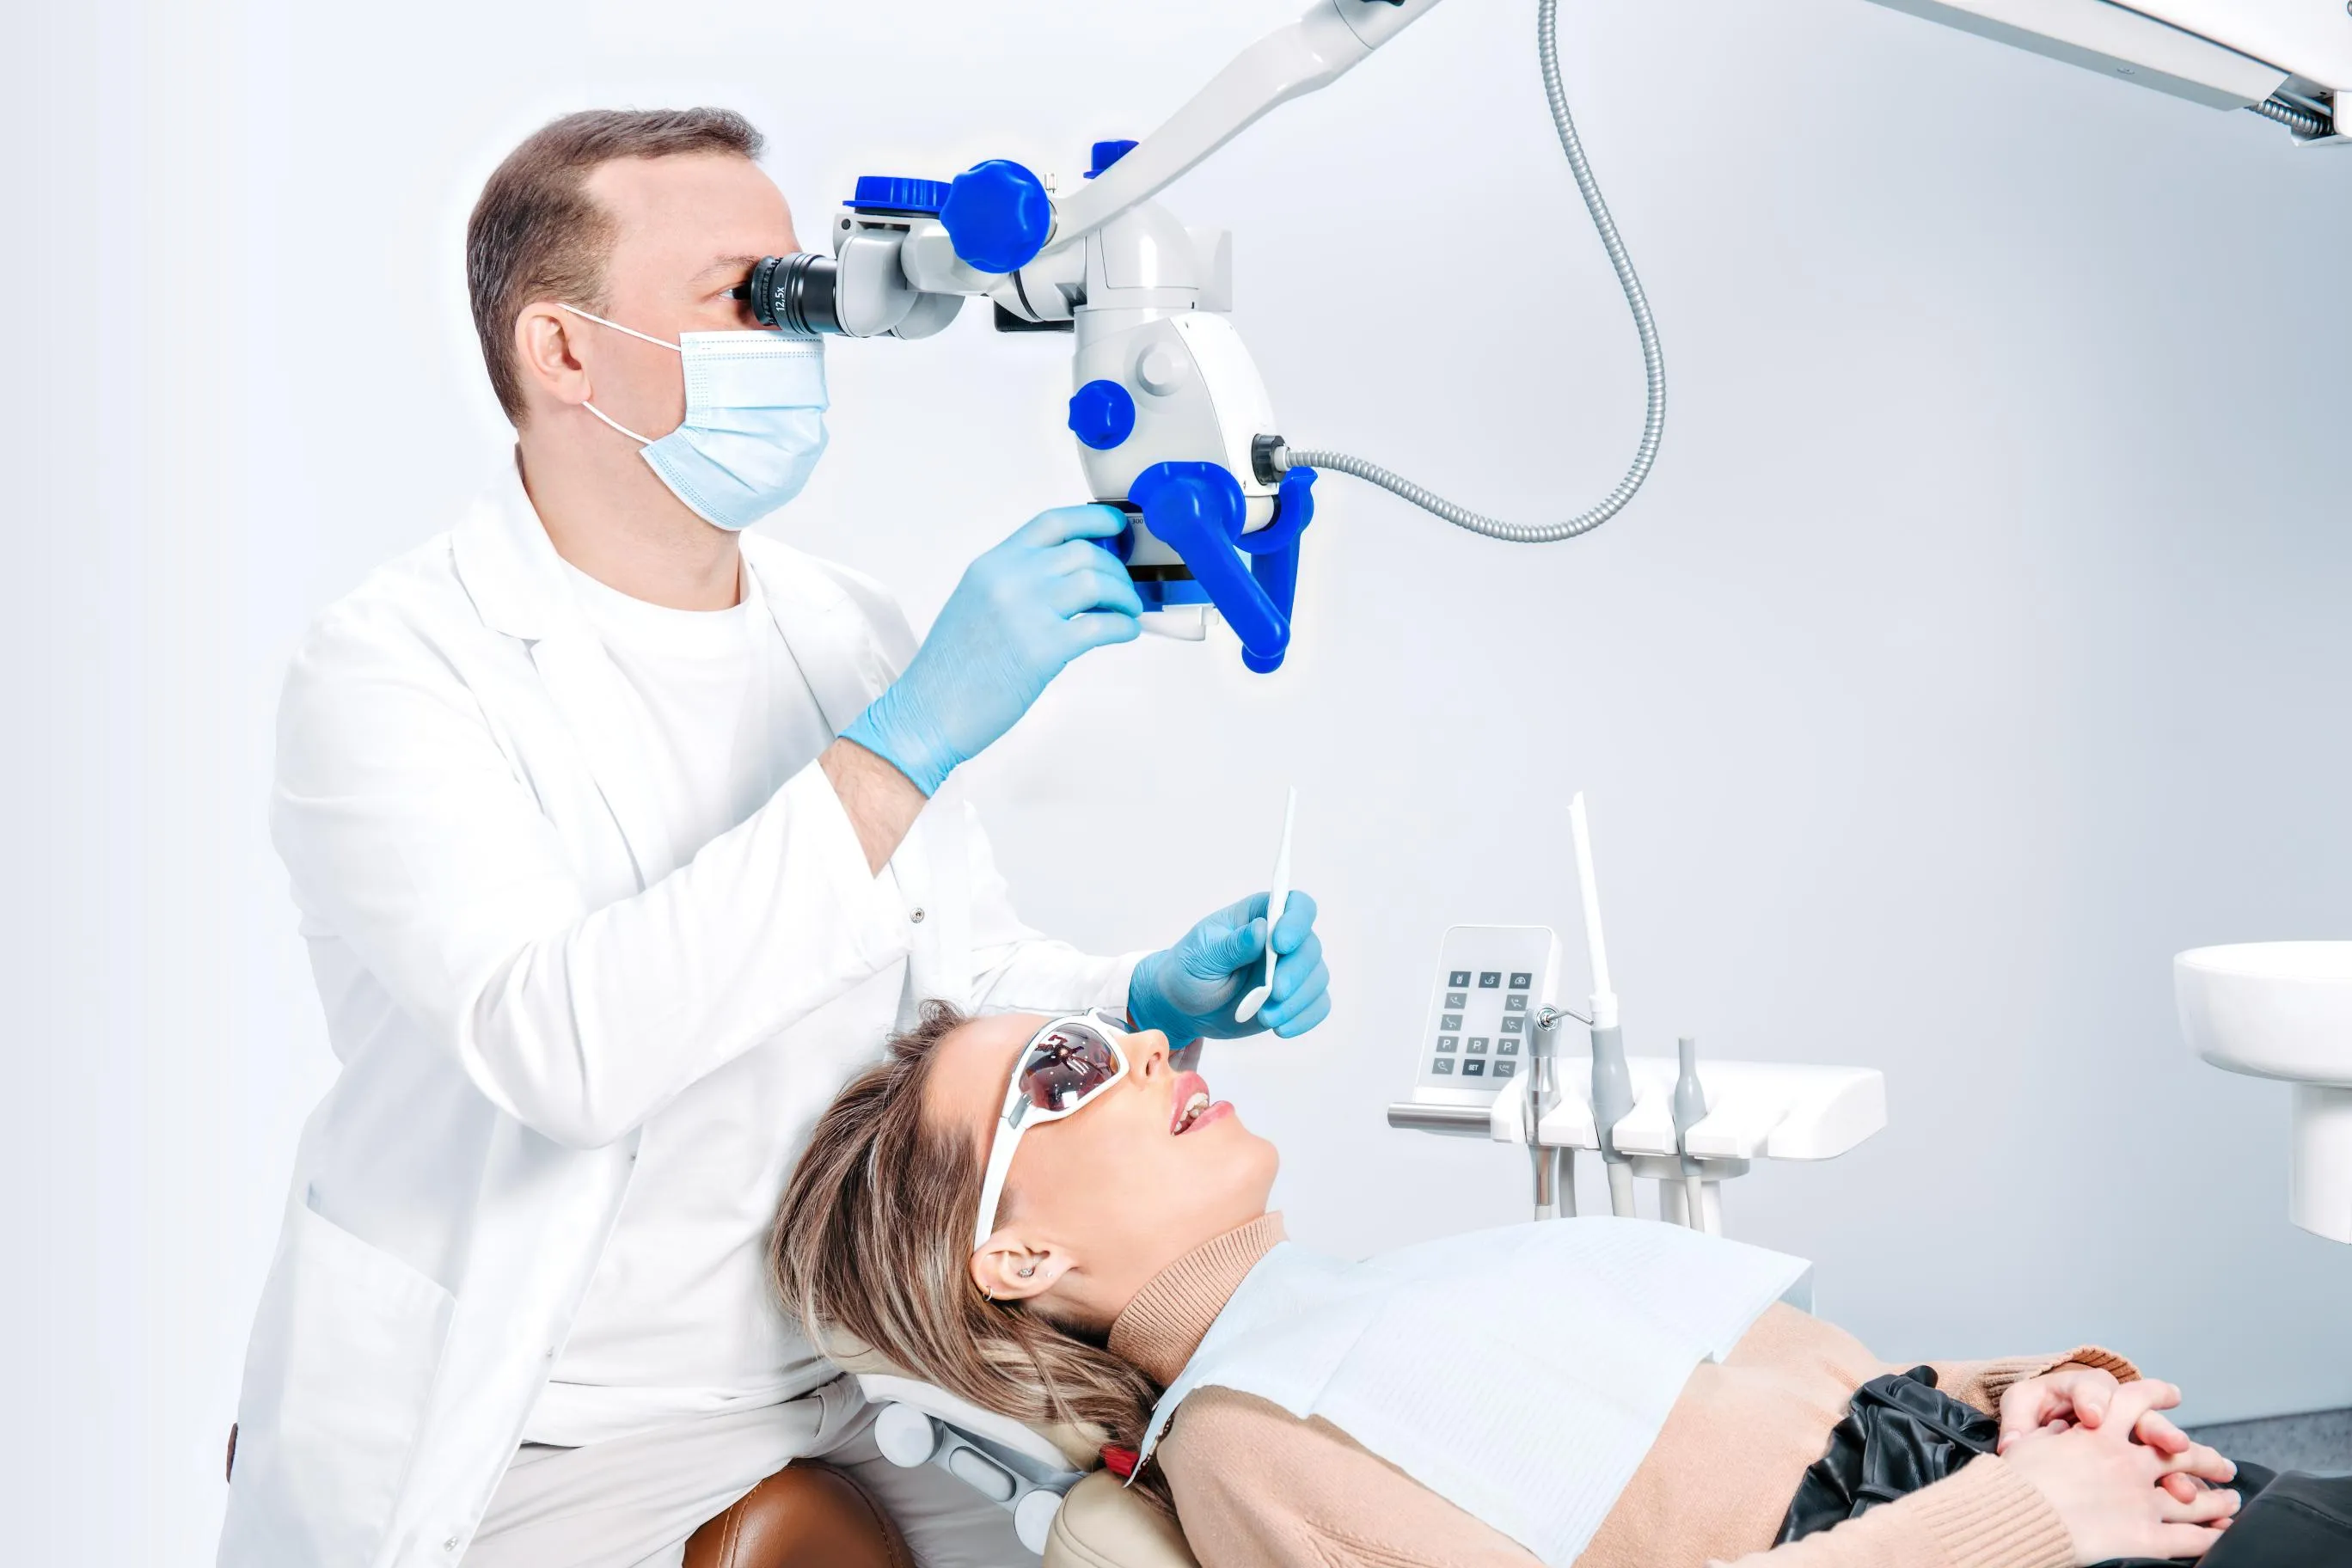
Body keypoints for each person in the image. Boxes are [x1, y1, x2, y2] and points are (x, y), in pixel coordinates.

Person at [218, 108, 1331, 1568]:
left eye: (798, 290)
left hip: (832, 1384)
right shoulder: (395, 672)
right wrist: (905, 742)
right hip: (549, 1425)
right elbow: (567, 1051)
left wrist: (1135, 996)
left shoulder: (839, 624)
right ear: (563, 353)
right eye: (741, 300)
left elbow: (948, 966)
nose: (794, 337)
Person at [774, 1005, 2352, 1568]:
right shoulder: (1257, 1443)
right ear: (1017, 1259)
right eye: (1065, 1071)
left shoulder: (1341, 1312)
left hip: (2030, 1490)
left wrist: (2018, 1396)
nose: (1143, 1050)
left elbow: (1738, 1437)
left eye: (1105, 1028)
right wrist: (2026, 1519)